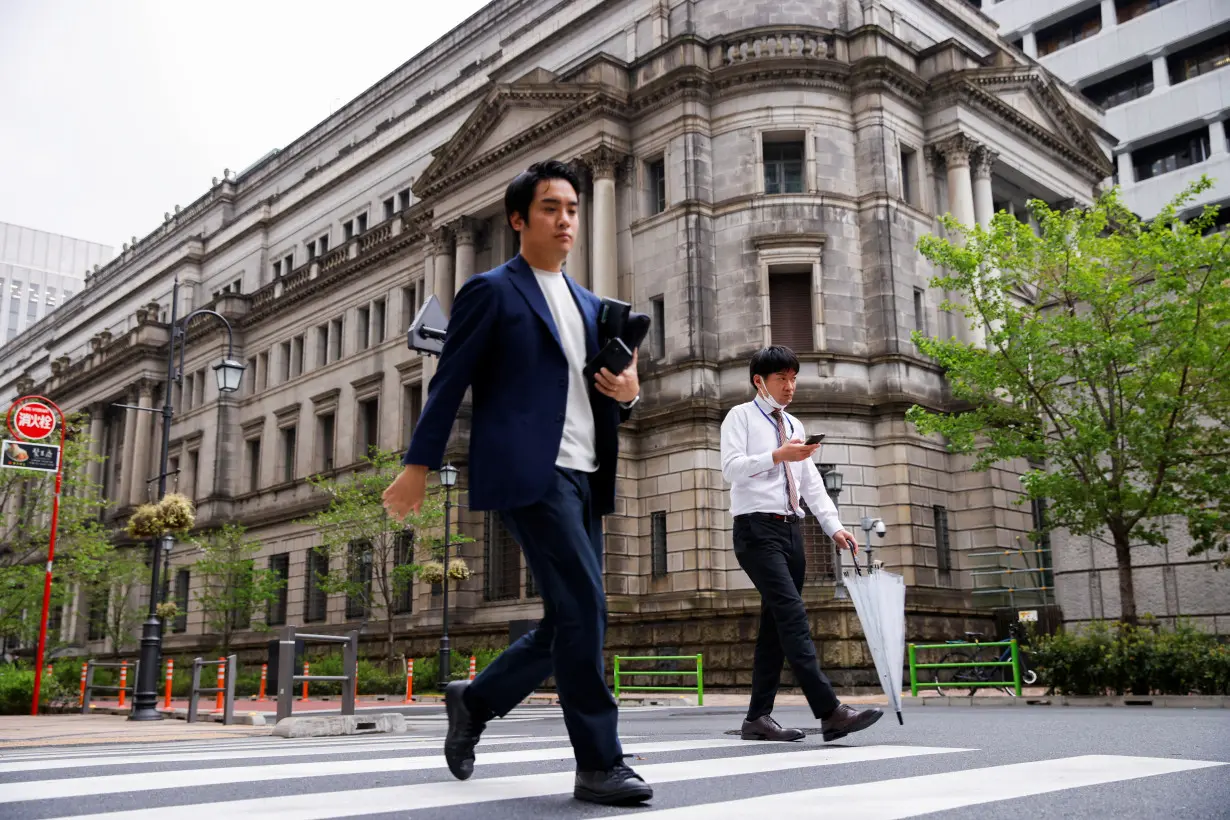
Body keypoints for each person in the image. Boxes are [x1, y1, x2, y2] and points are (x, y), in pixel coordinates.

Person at [382, 159, 652, 806]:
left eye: (571, 209)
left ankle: (474, 703)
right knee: (587, 609)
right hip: (532, 472)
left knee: (569, 620)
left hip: (589, 470)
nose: (565, 220)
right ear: (517, 219)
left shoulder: (592, 305)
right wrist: (419, 465)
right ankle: (599, 762)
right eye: (551, 208)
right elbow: (449, 381)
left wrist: (631, 392)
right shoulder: (492, 291)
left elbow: (604, 396)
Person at [719, 345, 884, 743]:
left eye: (793, 378)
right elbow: (731, 469)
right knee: (792, 616)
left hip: (792, 532)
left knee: (775, 628)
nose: (790, 386)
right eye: (782, 379)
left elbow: (810, 483)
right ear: (760, 381)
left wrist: (835, 528)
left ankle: (757, 719)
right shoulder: (739, 417)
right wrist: (777, 455)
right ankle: (830, 711)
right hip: (756, 531)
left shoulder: (793, 424)